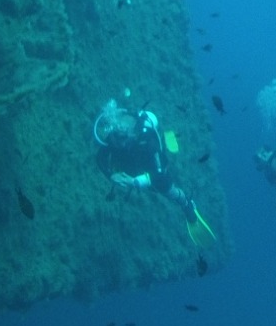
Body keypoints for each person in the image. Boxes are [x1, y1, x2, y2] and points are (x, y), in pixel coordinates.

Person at [93, 101, 216, 249]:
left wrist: (135, 182)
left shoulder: (147, 140)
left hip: (150, 168)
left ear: (132, 133)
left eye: (124, 138)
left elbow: (158, 176)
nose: (120, 142)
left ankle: (187, 204)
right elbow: (100, 157)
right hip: (131, 166)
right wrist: (111, 175)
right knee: (132, 165)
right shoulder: (114, 135)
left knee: (165, 188)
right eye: (117, 137)